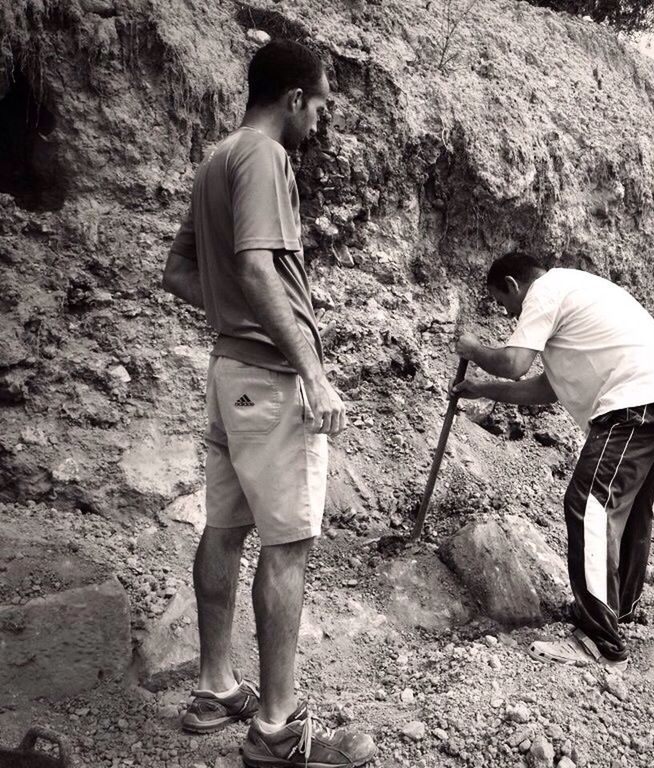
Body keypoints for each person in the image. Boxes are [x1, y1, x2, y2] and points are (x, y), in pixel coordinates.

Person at [161, 39, 375, 768]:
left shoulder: (216, 159)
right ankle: (278, 729)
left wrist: (230, 320)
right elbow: (257, 267)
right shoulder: (263, 156)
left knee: (224, 527)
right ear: (291, 99)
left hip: (230, 375)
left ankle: (217, 688)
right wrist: (310, 371)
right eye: (318, 106)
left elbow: (178, 271)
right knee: (288, 547)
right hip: (268, 381)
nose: (319, 121)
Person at [453, 253, 654, 669]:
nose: (507, 313)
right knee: (630, 507)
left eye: (502, 302)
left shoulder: (545, 291)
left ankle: (598, 640)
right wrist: (482, 389)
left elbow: (514, 363)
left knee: (588, 505)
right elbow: (546, 389)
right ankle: (618, 611)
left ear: (513, 285)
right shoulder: (576, 294)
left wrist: (474, 349)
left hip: (632, 401)